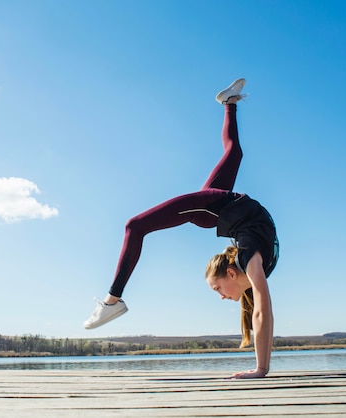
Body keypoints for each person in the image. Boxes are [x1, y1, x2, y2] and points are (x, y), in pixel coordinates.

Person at [84, 78, 279, 379]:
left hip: (221, 209)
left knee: (234, 155)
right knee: (134, 226)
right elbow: (262, 311)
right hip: (212, 209)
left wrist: (261, 368)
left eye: (216, 291)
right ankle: (113, 301)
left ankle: (228, 105)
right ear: (230, 273)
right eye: (217, 289)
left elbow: (260, 310)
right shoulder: (251, 260)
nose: (221, 296)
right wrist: (262, 369)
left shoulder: (252, 264)